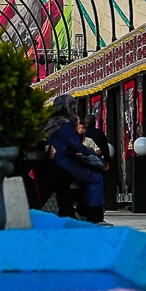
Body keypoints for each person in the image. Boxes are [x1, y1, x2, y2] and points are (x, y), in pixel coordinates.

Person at [45, 94, 106, 223]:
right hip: (63, 161)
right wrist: (92, 154)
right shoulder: (64, 125)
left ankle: (83, 211)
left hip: (53, 162)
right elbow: (76, 145)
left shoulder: (51, 121)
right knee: (96, 178)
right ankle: (93, 215)